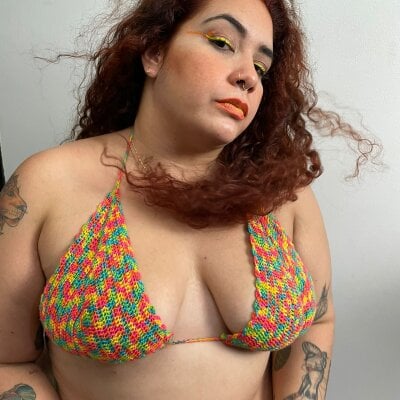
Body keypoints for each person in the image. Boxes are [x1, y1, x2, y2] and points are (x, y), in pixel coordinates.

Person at [1, 0, 374, 398]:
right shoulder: (48, 183)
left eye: (261, 67)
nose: (248, 77)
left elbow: (316, 321)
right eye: (221, 42)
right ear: (154, 53)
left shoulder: (284, 197)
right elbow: (7, 360)